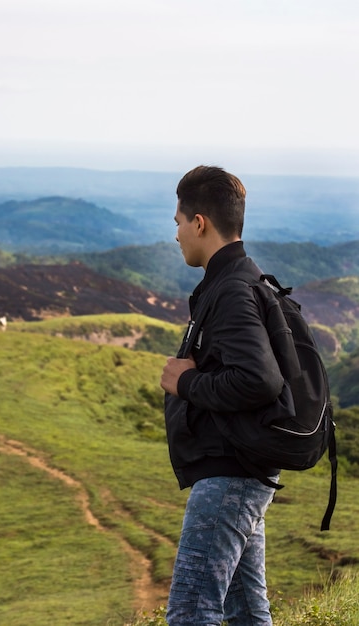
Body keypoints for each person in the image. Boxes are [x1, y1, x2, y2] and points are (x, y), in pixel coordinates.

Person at [160, 165, 284, 625]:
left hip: (230, 475)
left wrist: (185, 382)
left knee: (191, 612)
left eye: (177, 222)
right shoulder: (242, 278)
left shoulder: (231, 289)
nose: (175, 234)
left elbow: (259, 380)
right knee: (247, 610)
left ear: (199, 223)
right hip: (244, 469)